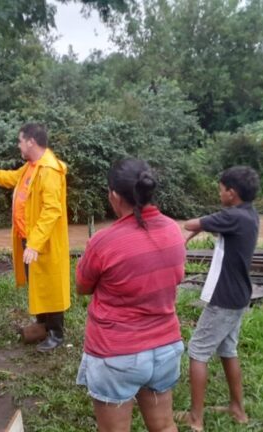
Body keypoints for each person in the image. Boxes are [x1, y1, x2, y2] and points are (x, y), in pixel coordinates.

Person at [75, 159, 186, 432]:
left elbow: (82, 286)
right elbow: (176, 276)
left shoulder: (104, 241)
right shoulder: (174, 229)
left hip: (117, 355)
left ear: (114, 195)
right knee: (164, 425)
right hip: (165, 349)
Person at [0, 123, 70, 352]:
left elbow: (51, 211)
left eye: (20, 140)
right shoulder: (32, 167)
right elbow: (11, 178)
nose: (18, 145)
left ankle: (56, 333)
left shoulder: (49, 170)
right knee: (38, 284)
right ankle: (42, 326)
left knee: (50, 284)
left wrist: (34, 243)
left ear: (31, 141)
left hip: (44, 242)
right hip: (30, 239)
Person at [180, 166, 260, 432]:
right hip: (238, 295)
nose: (219, 193)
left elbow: (191, 223)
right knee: (228, 350)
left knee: (198, 352)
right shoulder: (248, 214)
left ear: (231, 193)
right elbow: (206, 227)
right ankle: (237, 409)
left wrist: (189, 231)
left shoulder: (232, 216)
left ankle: (196, 418)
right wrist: (192, 236)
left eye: (220, 189)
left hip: (224, 298)